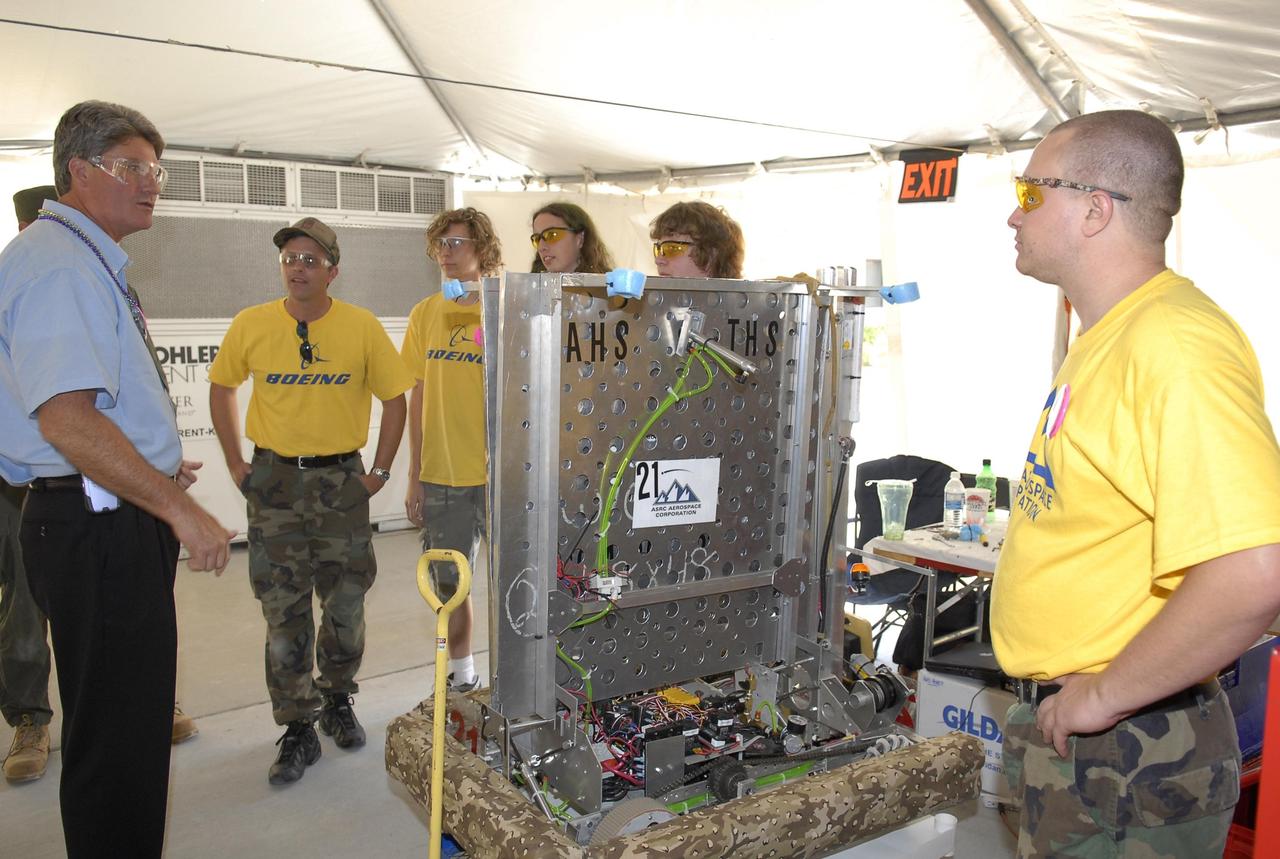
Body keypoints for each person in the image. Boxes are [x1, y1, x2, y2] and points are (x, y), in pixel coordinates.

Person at [992, 109, 1280, 856]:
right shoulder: (1111, 336)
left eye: (1030, 195)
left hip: (1128, 747)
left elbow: (1254, 569)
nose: (1012, 215)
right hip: (1090, 738)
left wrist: (1104, 695)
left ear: (1094, 208)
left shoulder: (1174, 344)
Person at [0, 101, 234, 858]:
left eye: (155, 170)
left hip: (100, 510)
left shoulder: (79, 256)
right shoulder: (59, 264)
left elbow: (95, 413)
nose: (150, 184)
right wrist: (181, 508)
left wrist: (155, 464)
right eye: (131, 167)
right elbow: (66, 421)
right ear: (78, 171)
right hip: (94, 524)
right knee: (117, 744)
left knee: (126, 732)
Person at [209, 217, 411, 784]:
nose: (298, 268)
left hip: (340, 484)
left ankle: (338, 699)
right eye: (290, 259)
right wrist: (235, 463)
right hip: (274, 484)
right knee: (283, 613)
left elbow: (396, 400)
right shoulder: (251, 324)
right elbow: (221, 388)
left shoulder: (361, 327)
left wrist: (378, 473)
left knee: (345, 607)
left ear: (333, 270)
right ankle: (297, 725)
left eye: (310, 260)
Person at [401, 207, 502, 692]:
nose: (447, 252)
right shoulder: (425, 312)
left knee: (513, 583)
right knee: (449, 583)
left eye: (457, 242)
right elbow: (417, 393)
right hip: (442, 474)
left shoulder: (502, 310)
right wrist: (414, 472)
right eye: (441, 243)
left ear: (482, 249)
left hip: (501, 474)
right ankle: (462, 678)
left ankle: (518, 682)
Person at [649, 200, 744, 279]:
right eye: (658, 250)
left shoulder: (750, 301)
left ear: (712, 254)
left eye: (671, 249)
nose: (658, 260)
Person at [529, 201, 616, 274]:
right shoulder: (532, 290)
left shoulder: (608, 289)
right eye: (537, 239)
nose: (541, 247)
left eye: (552, 235)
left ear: (580, 239)